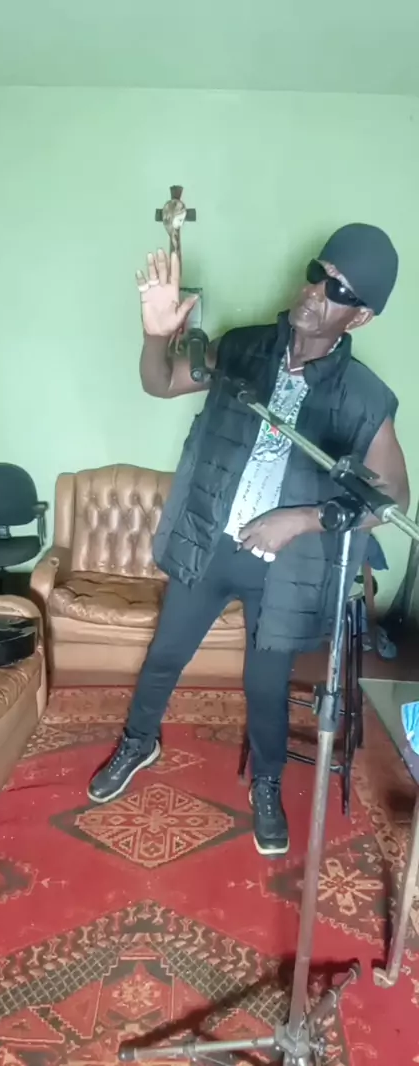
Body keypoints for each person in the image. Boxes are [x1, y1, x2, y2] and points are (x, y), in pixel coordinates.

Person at [88, 223, 409, 857]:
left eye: (338, 289)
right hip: (211, 542)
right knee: (164, 655)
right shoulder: (242, 348)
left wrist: (304, 519)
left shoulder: (365, 396)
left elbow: (392, 498)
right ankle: (139, 742)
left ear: (361, 316)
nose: (316, 290)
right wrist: (155, 335)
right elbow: (161, 382)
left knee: (265, 684)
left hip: (282, 568)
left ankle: (267, 783)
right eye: (318, 273)